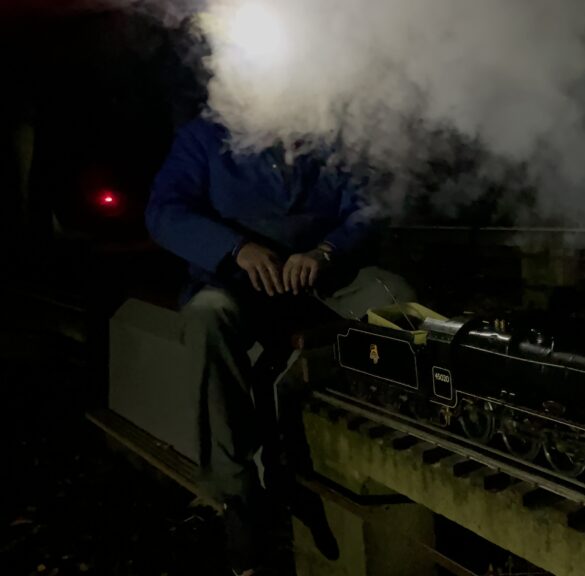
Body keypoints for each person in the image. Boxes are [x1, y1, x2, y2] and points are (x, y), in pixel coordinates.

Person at [146, 117, 414, 576]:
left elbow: (368, 207)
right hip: (233, 282)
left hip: (322, 279)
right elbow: (163, 212)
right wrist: (235, 248)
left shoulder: (330, 135)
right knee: (207, 318)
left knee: (398, 301)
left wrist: (326, 251)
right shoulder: (205, 137)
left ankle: (401, 443)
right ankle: (238, 496)